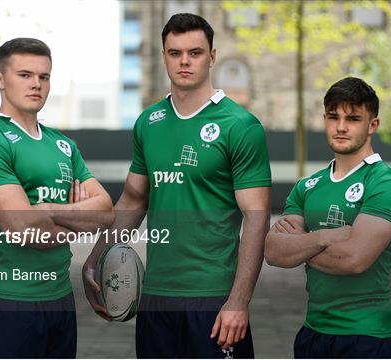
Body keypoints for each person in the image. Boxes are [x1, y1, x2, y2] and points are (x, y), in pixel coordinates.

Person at [83, 13, 271, 358]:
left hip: (213, 297)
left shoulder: (240, 126)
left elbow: (256, 216)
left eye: (195, 53)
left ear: (212, 57)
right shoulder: (148, 123)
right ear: (165, 55)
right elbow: (133, 199)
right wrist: (95, 258)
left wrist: (239, 301)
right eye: (175, 53)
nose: (184, 61)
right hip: (155, 295)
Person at [0, 37, 114, 358]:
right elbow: (24, 230)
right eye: (25, 75)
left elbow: (105, 211)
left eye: (44, 77)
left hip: (59, 298)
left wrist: (47, 210)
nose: (37, 84)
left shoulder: (63, 144)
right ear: (0, 80)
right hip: (7, 300)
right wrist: (79, 220)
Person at [265, 77, 391, 358]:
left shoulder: (384, 184)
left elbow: (354, 260)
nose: (341, 127)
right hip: (313, 333)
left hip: (367, 336)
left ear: (373, 125)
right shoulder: (308, 186)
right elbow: (273, 252)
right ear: (324, 119)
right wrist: (324, 237)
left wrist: (299, 245)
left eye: (353, 118)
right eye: (333, 117)